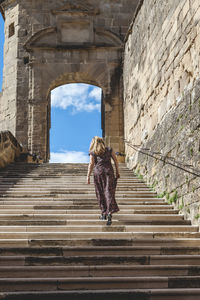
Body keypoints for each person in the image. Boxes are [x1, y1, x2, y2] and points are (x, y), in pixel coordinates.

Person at [87, 136, 120, 225]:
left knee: (100, 193)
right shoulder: (109, 149)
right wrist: (117, 171)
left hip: (98, 173)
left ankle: (103, 213)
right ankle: (109, 213)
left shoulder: (93, 152)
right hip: (109, 172)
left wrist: (88, 176)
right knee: (109, 192)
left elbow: (91, 164)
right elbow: (116, 161)